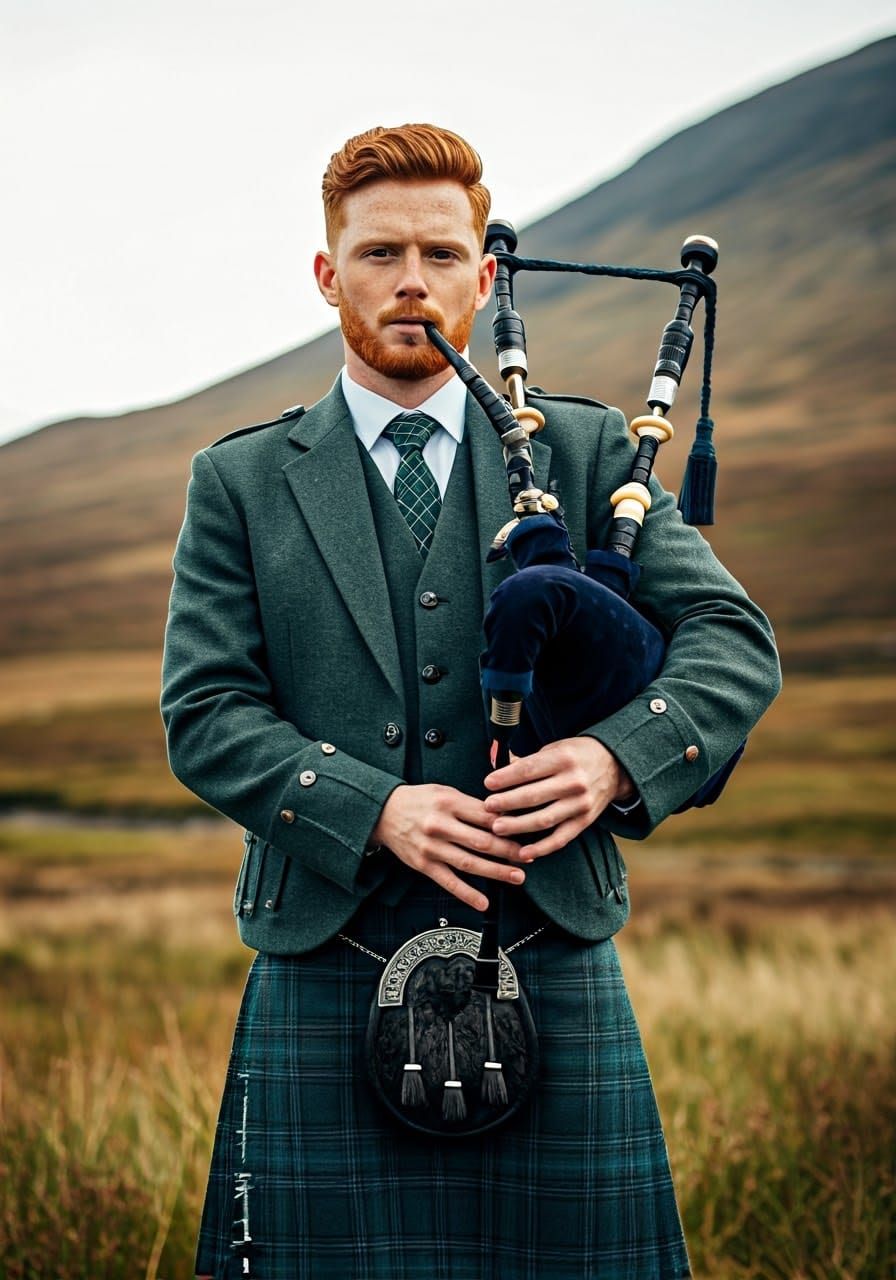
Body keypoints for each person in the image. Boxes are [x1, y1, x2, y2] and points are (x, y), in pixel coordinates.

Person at [161, 123, 781, 1280]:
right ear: (324, 272)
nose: (410, 282)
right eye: (378, 253)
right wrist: (371, 807)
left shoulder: (594, 451)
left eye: (441, 255)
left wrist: (612, 757)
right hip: (323, 946)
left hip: (546, 941)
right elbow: (204, 709)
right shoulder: (240, 480)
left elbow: (732, 642)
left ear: (483, 278)